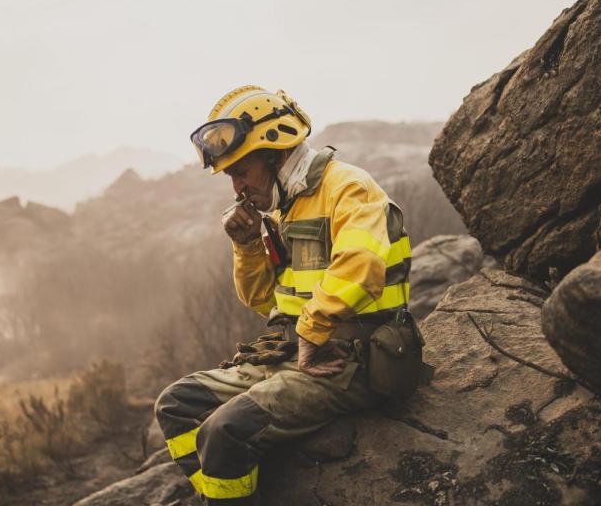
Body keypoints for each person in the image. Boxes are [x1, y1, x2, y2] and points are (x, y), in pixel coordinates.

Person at [155, 86, 412, 504]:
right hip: (295, 352)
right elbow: (264, 301)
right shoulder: (282, 206)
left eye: (241, 171)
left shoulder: (349, 187)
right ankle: (220, 496)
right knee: (176, 405)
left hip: (352, 360)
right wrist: (246, 244)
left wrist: (311, 332)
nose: (236, 187)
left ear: (275, 154)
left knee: (225, 430)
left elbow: (362, 267)